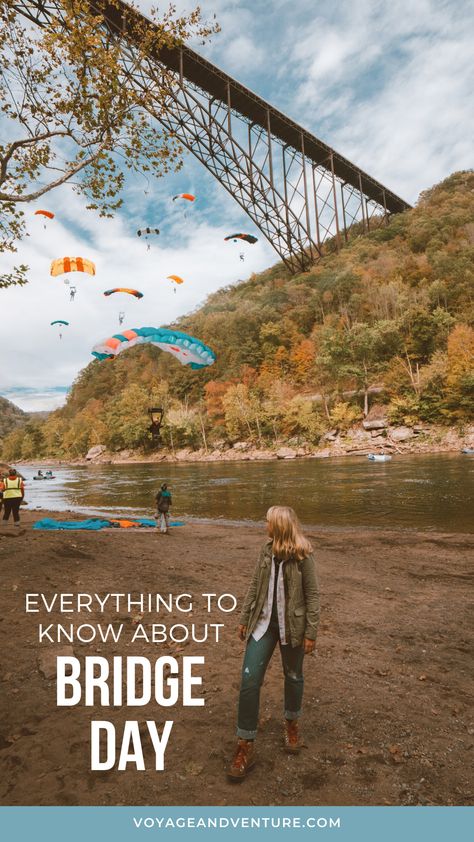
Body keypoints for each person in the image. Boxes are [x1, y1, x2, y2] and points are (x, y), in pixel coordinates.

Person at [227, 505, 320, 781]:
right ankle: (245, 744)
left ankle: (291, 724)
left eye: (268, 522)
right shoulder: (266, 551)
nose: (264, 525)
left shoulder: (303, 556)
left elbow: (313, 595)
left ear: (279, 527)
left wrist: (311, 632)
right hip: (263, 624)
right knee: (249, 680)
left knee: (293, 676)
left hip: (292, 627)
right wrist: (244, 618)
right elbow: (255, 585)